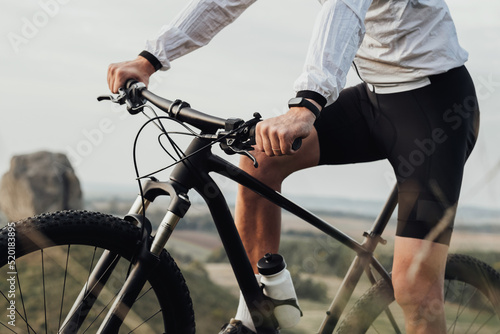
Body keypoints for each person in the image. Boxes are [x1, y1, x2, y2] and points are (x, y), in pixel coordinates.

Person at [107, 1, 480, 333]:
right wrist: (149, 59)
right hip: (375, 98)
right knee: (258, 163)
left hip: (436, 109)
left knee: (415, 292)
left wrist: (306, 104)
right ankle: (263, 309)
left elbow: (344, 8)